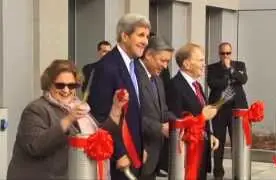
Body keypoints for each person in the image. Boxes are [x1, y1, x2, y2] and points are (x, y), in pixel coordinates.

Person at [6, 59, 129, 180]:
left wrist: (116, 108)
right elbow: (35, 146)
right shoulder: (36, 109)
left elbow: (99, 138)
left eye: (71, 85)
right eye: (60, 85)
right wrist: (69, 119)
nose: (66, 90)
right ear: (49, 85)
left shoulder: (79, 108)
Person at [87, 13, 150, 179]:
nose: (146, 41)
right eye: (141, 35)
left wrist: (140, 146)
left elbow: (135, 112)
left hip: (134, 152)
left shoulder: (134, 64)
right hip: (117, 160)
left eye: (147, 36)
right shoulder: (106, 67)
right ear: (124, 36)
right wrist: (119, 152)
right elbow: (100, 116)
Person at [166, 43, 220, 180]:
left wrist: (209, 134)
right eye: (201, 60)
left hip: (201, 149)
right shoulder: (175, 86)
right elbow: (176, 124)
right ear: (187, 64)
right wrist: (203, 117)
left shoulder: (197, 86)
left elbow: (199, 113)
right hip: (186, 156)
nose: (204, 64)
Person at [135, 36, 175, 180]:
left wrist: (180, 122)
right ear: (149, 55)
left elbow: (162, 111)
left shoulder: (157, 78)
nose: (165, 66)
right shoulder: (132, 76)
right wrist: (159, 128)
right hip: (138, 151)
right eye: (162, 61)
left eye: (168, 62)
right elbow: (130, 115)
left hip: (154, 154)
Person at [207, 42, 248, 180]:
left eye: (228, 53)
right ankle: (218, 172)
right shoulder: (212, 68)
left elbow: (243, 79)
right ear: (219, 54)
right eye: (223, 53)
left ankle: (239, 171)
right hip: (219, 109)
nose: (225, 56)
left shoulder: (239, 65)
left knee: (237, 142)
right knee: (219, 141)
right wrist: (227, 76)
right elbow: (212, 83)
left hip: (236, 109)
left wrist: (231, 70)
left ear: (232, 53)